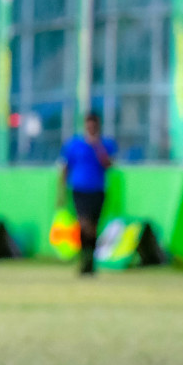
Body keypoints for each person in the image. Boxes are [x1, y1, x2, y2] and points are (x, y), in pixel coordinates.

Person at [58, 112, 116, 275]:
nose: (91, 127)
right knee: (84, 224)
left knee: (93, 228)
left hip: (97, 190)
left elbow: (109, 164)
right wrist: (61, 192)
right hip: (79, 189)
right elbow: (65, 167)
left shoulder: (105, 144)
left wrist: (97, 147)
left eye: (94, 125)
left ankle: (90, 261)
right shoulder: (74, 144)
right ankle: (84, 258)